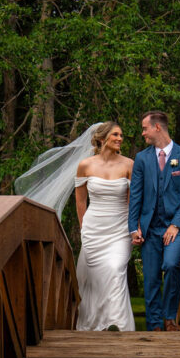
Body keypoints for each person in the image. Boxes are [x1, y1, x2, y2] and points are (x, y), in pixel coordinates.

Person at [128, 110, 180, 331]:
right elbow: (136, 195)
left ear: (157, 127)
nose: (143, 133)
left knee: (170, 265)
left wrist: (175, 224)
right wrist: (133, 228)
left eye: (145, 128)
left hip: (175, 228)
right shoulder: (142, 159)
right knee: (150, 278)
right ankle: (154, 326)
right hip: (150, 229)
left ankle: (169, 318)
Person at [74, 121, 136, 332]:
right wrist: (84, 230)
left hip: (120, 229)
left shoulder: (129, 164)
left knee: (115, 269)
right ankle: (95, 324)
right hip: (93, 229)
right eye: (115, 135)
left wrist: (134, 228)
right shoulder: (85, 165)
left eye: (121, 135)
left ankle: (117, 324)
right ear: (102, 139)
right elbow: (81, 202)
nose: (120, 139)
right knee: (95, 278)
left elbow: (132, 202)